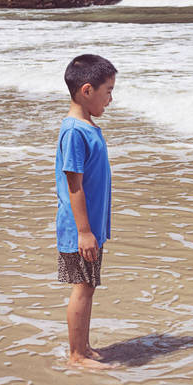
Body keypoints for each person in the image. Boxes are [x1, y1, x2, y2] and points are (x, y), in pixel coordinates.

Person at [55, 54, 117, 369]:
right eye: (108, 91)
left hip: (91, 227)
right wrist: (84, 232)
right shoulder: (74, 131)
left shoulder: (88, 126)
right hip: (80, 229)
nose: (111, 98)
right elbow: (74, 185)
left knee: (88, 286)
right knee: (82, 288)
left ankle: (85, 346)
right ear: (87, 90)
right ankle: (76, 356)